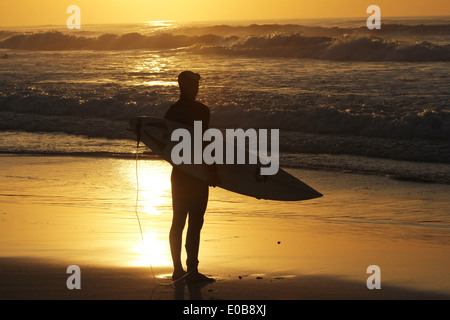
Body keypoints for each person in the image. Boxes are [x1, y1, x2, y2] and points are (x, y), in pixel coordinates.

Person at [164, 71, 218, 282]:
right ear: (183, 86)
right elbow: (204, 142)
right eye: (193, 84)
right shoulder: (201, 111)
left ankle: (183, 270)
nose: (196, 88)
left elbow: (166, 144)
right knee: (188, 221)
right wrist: (212, 170)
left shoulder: (171, 112)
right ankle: (186, 270)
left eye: (197, 84)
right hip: (195, 174)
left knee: (187, 221)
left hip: (182, 172)